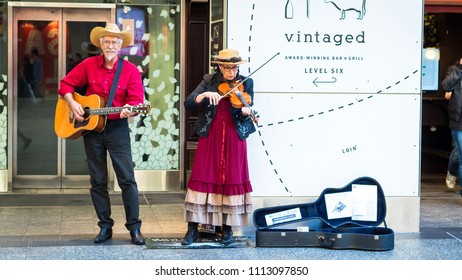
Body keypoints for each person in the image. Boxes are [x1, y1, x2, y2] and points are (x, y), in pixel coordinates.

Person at [57, 23, 145, 245]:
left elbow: (136, 101)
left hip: (117, 129)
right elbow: (65, 85)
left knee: (127, 179)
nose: (110, 45)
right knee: (98, 181)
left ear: (121, 45)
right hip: (93, 131)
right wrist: (73, 104)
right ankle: (105, 227)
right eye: (106, 41)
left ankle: (134, 228)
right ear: (100, 44)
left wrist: (129, 109)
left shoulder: (130, 71)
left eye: (115, 42)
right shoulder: (88, 65)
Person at [181, 49, 255, 245]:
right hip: (211, 133)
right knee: (203, 176)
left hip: (234, 135)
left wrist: (246, 111)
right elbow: (188, 102)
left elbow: (246, 108)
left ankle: (227, 229)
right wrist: (204, 95)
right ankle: (192, 229)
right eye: (227, 68)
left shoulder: (246, 83)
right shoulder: (208, 80)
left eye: (235, 68)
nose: (232, 72)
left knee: (231, 177)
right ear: (220, 67)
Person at [442, 58, 462, 193]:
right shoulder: (454, 71)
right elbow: (446, 88)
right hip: (458, 120)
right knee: (457, 153)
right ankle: (452, 171)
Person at [445, 91, 459, 189]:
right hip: (459, 120)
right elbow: (447, 95)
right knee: (457, 151)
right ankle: (452, 172)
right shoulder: (456, 77)